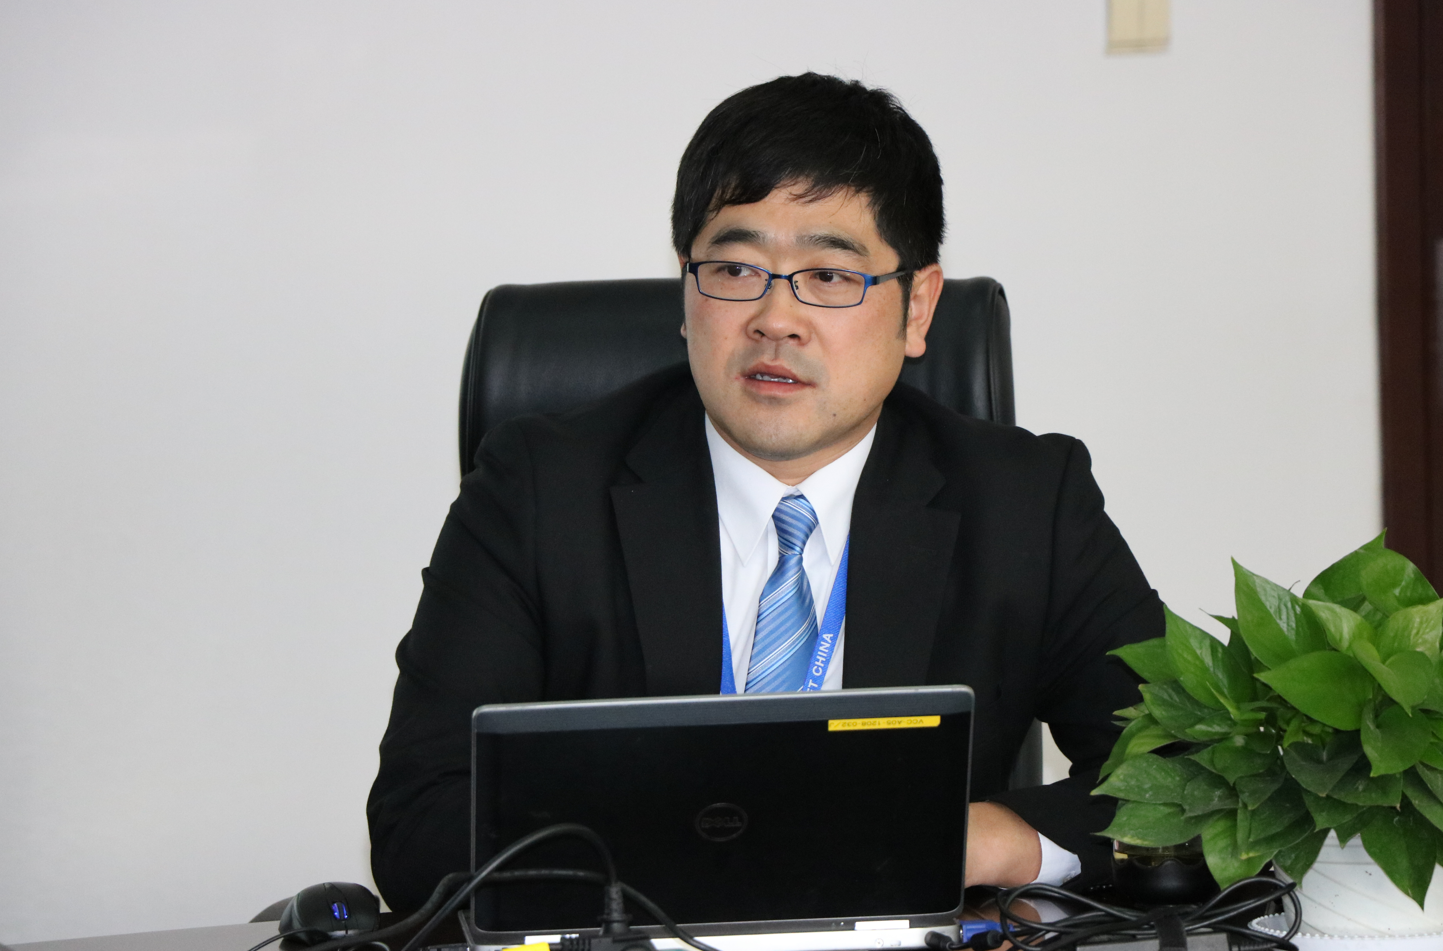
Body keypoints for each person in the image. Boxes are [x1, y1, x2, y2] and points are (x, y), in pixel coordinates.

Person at [367, 73, 1163, 913]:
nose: (774, 318)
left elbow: (1204, 775)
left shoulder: (1026, 504)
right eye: (734, 268)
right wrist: (711, 856)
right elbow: (422, 821)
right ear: (685, 291)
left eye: (829, 275)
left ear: (917, 308)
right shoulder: (536, 492)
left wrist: (993, 840)